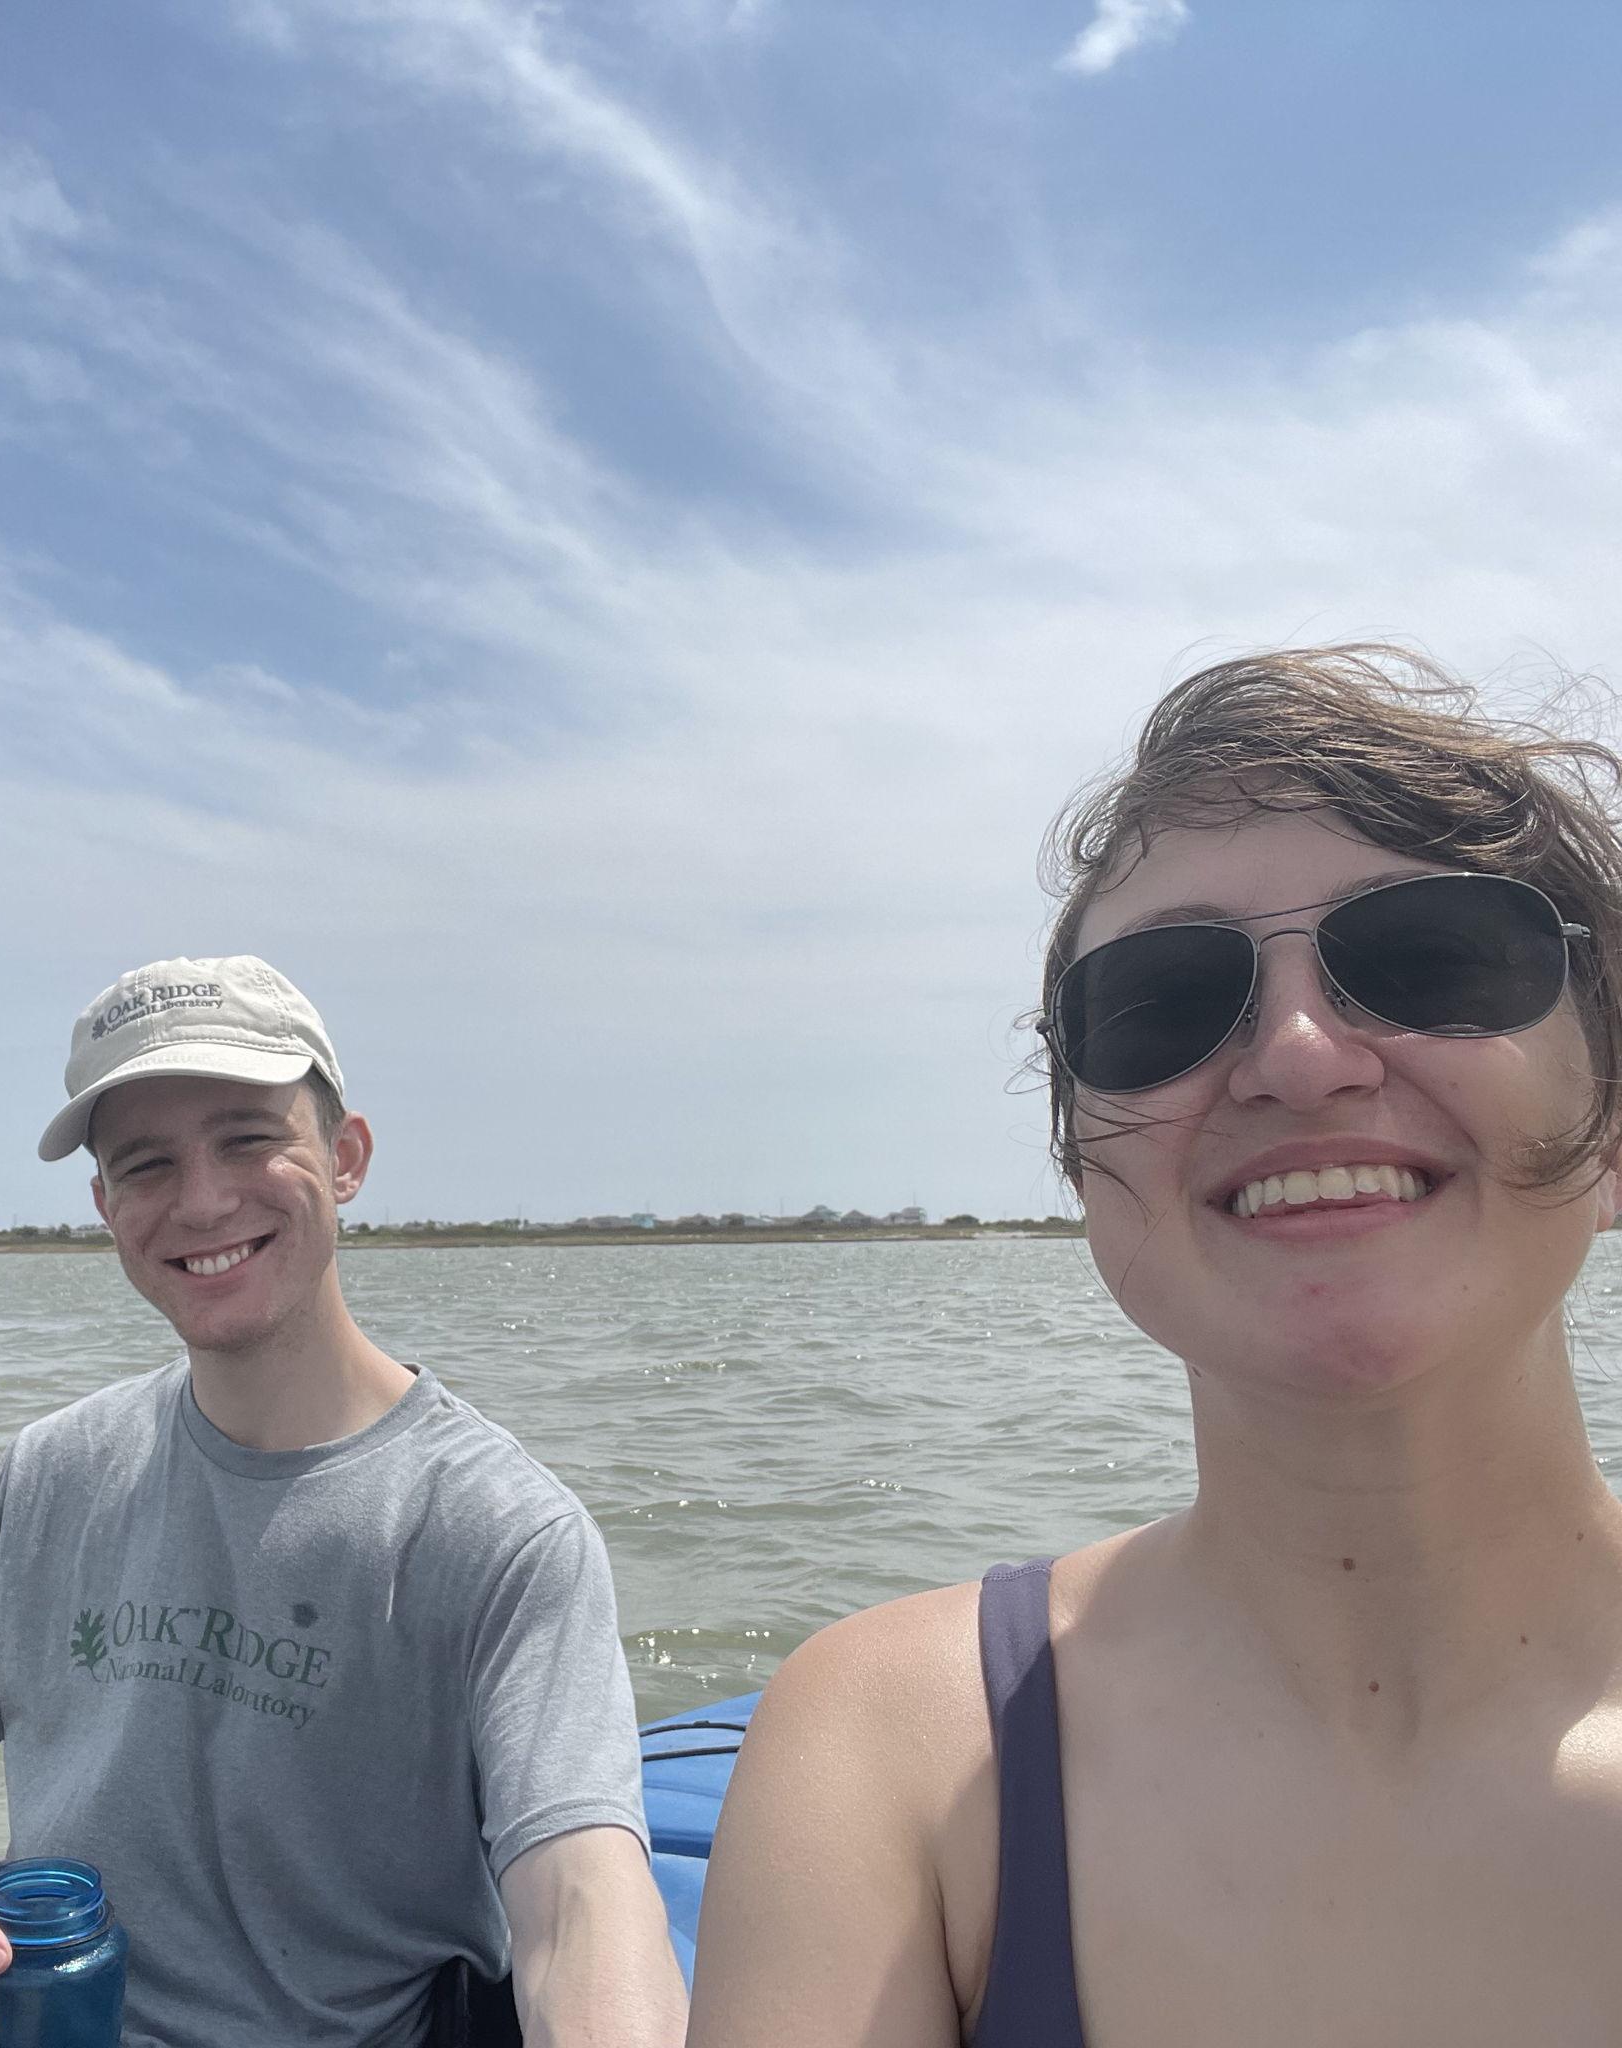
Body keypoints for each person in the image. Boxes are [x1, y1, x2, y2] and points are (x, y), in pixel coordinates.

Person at [687, 646, 1622, 2047]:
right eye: (1165, 1001)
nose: (1303, 1055)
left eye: (1434, 956)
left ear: (1610, 1118)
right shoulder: (898, 1752)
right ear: (1083, 1167)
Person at [0, 955, 687, 2048]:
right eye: (146, 1162)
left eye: (248, 1137)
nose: (202, 1199)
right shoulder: (51, 1473)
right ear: (105, 1206)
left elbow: (579, 1905)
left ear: (345, 1155)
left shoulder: (499, 1531)